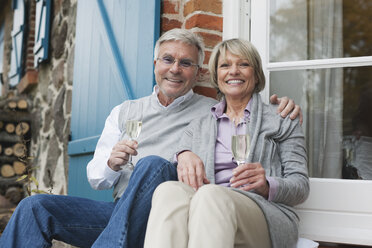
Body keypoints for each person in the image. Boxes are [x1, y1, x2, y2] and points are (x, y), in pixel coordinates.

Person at [0, 30, 300, 248]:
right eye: (168, 59)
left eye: (186, 63)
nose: (175, 69)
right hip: (119, 212)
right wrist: (111, 163)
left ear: (197, 73)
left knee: (153, 165)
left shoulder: (208, 112)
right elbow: (96, 179)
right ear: (155, 64)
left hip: (167, 211)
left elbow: (246, 105)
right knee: (34, 207)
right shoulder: (126, 111)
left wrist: (281, 104)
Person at [144, 38, 309, 248]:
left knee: (210, 194)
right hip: (206, 208)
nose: (233, 71)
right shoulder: (197, 126)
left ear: (256, 74)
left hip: (263, 213)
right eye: (225, 65)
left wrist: (268, 185)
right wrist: (182, 153)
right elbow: (173, 161)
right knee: (167, 191)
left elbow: (301, 185)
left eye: (243, 64)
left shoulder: (281, 119)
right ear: (216, 75)